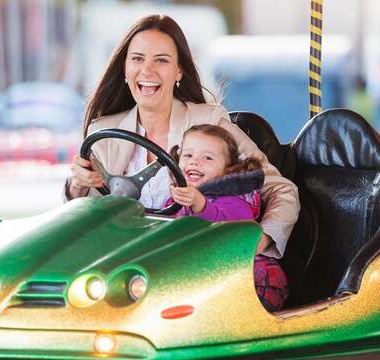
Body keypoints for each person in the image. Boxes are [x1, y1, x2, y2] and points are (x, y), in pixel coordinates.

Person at [65, 14, 298, 269]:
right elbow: (81, 221)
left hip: (191, 267)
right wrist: (78, 184)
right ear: (125, 68)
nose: (147, 71)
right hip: (122, 267)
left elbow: (281, 189)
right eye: (137, 59)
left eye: (161, 60)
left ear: (179, 71)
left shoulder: (208, 120)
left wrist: (261, 240)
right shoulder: (103, 132)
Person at [167, 124, 288, 311]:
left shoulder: (235, 199)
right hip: (200, 274)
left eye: (207, 158)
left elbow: (230, 227)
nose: (195, 162)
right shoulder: (175, 199)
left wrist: (200, 205)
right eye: (188, 155)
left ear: (227, 169)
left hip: (244, 278)